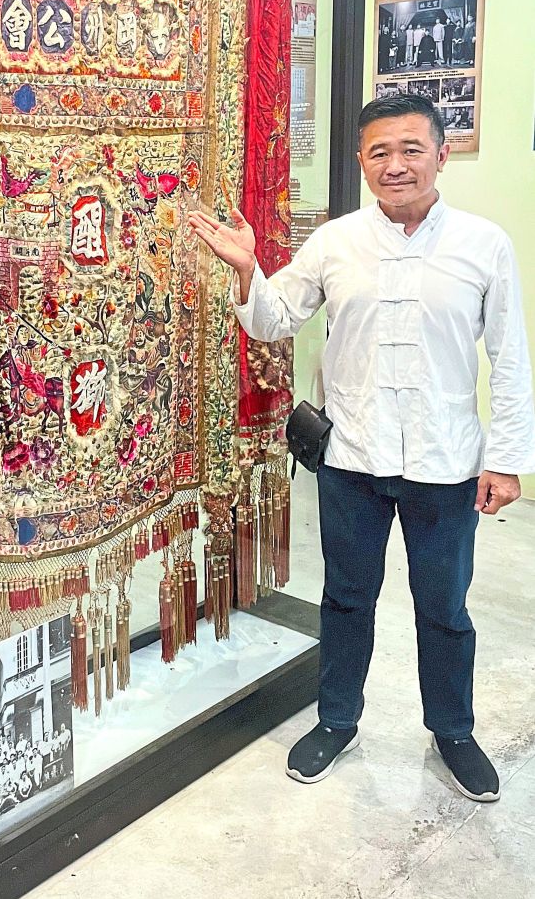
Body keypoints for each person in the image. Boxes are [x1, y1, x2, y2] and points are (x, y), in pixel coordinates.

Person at [188, 94, 535, 803]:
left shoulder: (483, 244)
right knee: (347, 598)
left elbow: (510, 356)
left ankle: (454, 732)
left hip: (444, 465)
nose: (396, 165)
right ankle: (337, 720)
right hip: (352, 461)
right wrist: (248, 272)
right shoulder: (336, 241)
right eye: (379, 152)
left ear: (442, 153)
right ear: (361, 162)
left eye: (411, 148)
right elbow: (274, 319)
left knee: (444, 606)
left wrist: (505, 458)